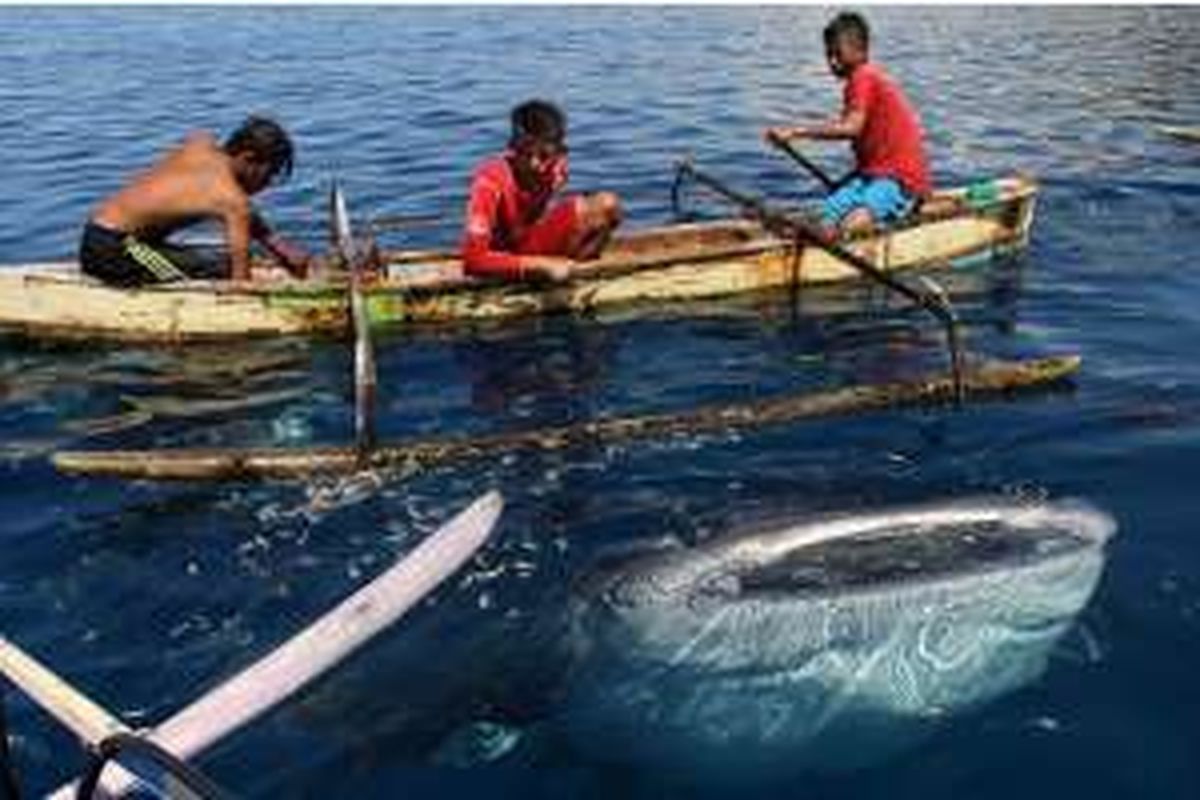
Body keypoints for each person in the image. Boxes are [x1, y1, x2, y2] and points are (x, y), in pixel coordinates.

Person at [80, 116, 313, 286]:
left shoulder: (200, 145)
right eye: (268, 174)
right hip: (114, 252)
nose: (268, 183)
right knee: (223, 266)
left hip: (102, 236)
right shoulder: (232, 200)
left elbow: (237, 205)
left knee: (228, 255)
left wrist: (276, 244)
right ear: (248, 159)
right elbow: (241, 285)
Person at [764, 12, 931, 236]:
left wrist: (795, 131)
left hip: (900, 181)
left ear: (861, 52)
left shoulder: (863, 77)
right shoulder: (857, 82)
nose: (832, 61)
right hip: (870, 176)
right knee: (822, 216)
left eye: (838, 54)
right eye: (828, 54)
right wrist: (849, 181)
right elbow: (870, 148)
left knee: (854, 222)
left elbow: (851, 128)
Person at [461, 100, 622, 282]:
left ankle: (582, 271)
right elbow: (473, 261)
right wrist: (542, 264)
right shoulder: (490, 181)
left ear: (559, 152)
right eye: (525, 153)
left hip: (529, 243)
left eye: (544, 156)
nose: (534, 164)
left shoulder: (556, 168)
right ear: (512, 146)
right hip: (503, 258)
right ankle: (560, 272)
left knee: (608, 205)